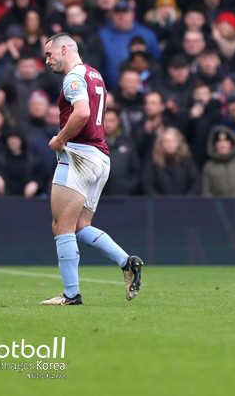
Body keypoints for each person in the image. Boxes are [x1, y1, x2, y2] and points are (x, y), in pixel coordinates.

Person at [40, 32, 143, 306]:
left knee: (61, 225)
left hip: (78, 155)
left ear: (64, 49)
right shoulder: (95, 75)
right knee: (81, 226)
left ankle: (71, 294)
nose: (47, 61)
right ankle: (126, 261)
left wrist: (60, 138)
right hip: (101, 157)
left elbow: (83, 112)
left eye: (49, 54)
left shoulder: (73, 77)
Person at [141, 127, 201, 196]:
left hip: (185, 204)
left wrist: (186, 201)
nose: (170, 145)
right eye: (166, 141)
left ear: (179, 143)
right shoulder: (153, 163)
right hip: (159, 204)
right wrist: (160, 202)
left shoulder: (187, 161)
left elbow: (196, 184)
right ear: (161, 144)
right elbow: (148, 186)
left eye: (173, 141)